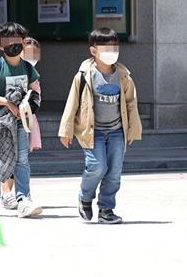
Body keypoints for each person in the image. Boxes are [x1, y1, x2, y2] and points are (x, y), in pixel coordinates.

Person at [58, 27, 142, 224]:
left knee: (114, 172)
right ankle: (85, 197)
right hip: (92, 131)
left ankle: (106, 209)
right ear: (93, 51)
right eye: (106, 47)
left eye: (114, 46)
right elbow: (73, 103)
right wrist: (66, 130)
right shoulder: (84, 75)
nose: (111, 51)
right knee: (97, 166)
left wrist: (132, 130)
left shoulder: (123, 76)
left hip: (116, 131)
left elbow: (131, 103)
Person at [0, 22, 42, 218]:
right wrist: (8, 102)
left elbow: (35, 91)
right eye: (8, 41)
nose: (13, 45)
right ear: (0, 45)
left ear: (24, 42)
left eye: (17, 41)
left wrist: (29, 105)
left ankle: (23, 199)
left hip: (20, 122)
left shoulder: (28, 68)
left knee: (22, 160)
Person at [0, 36, 43, 210]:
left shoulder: (32, 74)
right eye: (28, 53)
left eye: (35, 54)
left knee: (20, 159)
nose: (32, 58)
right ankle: (6, 193)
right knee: (10, 157)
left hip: (25, 119)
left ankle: (19, 195)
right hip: (6, 120)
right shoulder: (2, 68)